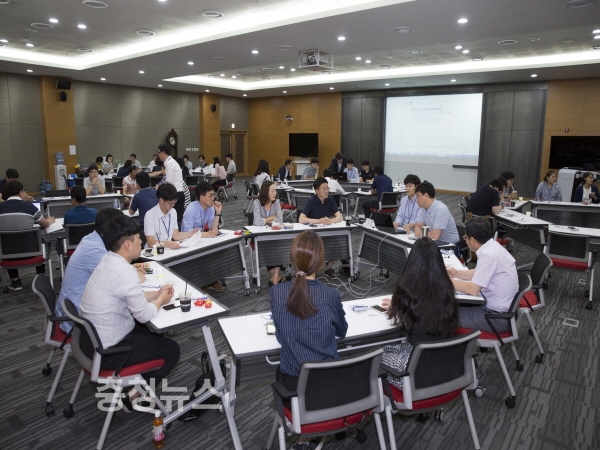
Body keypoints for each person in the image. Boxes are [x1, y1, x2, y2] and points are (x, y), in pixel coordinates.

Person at [79, 214, 180, 411]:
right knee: (172, 350)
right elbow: (144, 314)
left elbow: (129, 296)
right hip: (110, 352)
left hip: (90, 343)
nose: (141, 241)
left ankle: (135, 388)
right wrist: (161, 300)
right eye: (137, 238)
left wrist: (156, 294)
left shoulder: (109, 260)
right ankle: (136, 393)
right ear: (127, 244)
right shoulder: (125, 272)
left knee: (152, 332)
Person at [270, 230, 348, 392]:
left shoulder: (277, 292)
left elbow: (280, 336)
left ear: (293, 259)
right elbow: (342, 331)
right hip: (328, 382)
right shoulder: (331, 295)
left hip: (294, 383)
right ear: (320, 262)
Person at [379, 237, 459, 389]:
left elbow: (404, 319)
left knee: (375, 357)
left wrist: (396, 306)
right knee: (388, 349)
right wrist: (398, 305)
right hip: (447, 364)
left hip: (415, 375)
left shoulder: (407, 289)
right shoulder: (447, 288)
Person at [55, 208, 128, 332]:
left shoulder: (91, 239)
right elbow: (119, 283)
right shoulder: (95, 251)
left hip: (74, 305)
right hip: (78, 318)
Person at [448, 217, 518, 333]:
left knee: (443, 315)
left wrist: (447, 281)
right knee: (450, 307)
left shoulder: (488, 255)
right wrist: (457, 273)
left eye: (465, 237)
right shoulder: (493, 246)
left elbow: (473, 290)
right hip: (502, 312)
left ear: (473, 240)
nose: (465, 240)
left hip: (496, 318)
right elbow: (480, 272)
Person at [0, 180, 55, 290]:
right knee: (40, 241)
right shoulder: (30, 208)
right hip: (31, 252)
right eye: (24, 191)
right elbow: (44, 224)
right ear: (21, 192)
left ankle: (15, 281)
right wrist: (49, 220)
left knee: (8, 241)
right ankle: (40, 277)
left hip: (7, 255)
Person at [181, 182, 225, 292]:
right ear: (201, 197)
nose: (213, 198)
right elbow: (187, 233)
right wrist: (208, 234)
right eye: (210, 195)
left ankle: (211, 280)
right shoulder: (191, 209)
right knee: (201, 254)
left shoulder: (210, 208)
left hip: (200, 239)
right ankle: (201, 283)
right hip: (187, 242)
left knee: (214, 250)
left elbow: (213, 229)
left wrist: (217, 213)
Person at [299, 177, 342, 278]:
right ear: (317, 190)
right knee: (315, 244)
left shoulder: (330, 199)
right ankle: (313, 269)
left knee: (337, 241)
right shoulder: (311, 201)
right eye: (324, 189)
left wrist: (330, 221)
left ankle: (328, 269)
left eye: (327, 188)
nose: (327, 191)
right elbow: (301, 219)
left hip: (326, 231)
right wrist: (318, 221)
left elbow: (340, 217)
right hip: (313, 233)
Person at [144, 183, 199, 250]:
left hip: (168, 250)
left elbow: (176, 235)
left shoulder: (173, 212)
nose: (173, 205)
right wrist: (168, 244)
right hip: (154, 251)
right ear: (161, 200)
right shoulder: (150, 215)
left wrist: (191, 233)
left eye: (174, 202)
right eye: (171, 203)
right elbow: (150, 243)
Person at [252, 181, 284, 286]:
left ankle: (274, 278)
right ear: (266, 192)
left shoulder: (276, 202)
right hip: (259, 236)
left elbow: (280, 220)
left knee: (279, 245)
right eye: (272, 191)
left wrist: (266, 220)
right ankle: (276, 278)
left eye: (275, 191)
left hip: (273, 235)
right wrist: (272, 217)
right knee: (266, 246)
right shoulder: (257, 202)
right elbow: (257, 222)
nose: (275, 193)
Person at [414, 181, 460, 246]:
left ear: (426, 196)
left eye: (418, 196)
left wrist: (421, 233)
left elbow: (435, 235)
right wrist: (419, 231)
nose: (417, 200)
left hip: (450, 245)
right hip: (435, 243)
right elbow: (418, 225)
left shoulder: (440, 209)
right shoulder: (423, 208)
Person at [151, 143, 188, 221]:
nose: (158, 155)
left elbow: (169, 184)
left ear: (163, 152)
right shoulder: (171, 162)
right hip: (178, 193)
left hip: (175, 194)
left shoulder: (169, 163)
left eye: (159, 153)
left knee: (174, 220)